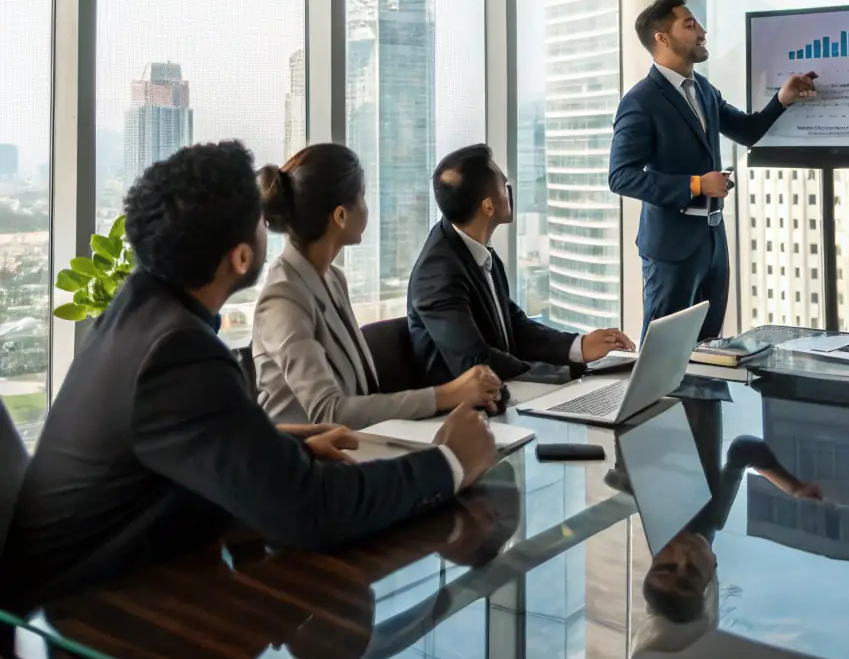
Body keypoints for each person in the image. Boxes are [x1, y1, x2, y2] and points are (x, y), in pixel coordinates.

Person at [0, 141, 497, 619]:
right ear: (240, 258)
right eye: (260, 223)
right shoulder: (177, 351)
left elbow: (178, 447)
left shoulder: (138, 316)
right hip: (74, 637)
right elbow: (312, 510)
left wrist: (281, 444)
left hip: (105, 601)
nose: (271, 227)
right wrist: (449, 462)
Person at [609, 0, 817, 341]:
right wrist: (696, 185)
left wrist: (782, 99)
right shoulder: (640, 101)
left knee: (709, 351)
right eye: (690, 25)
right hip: (671, 250)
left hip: (713, 244)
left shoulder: (703, 89)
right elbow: (620, 176)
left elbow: (746, 130)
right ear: (662, 38)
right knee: (665, 350)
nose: (702, 32)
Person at [253, 143, 503, 428]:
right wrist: (448, 394)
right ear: (340, 216)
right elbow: (328, 412)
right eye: (362, 196)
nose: (367, 208)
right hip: (303, 454)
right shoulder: (283, 296)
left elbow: (361, 396)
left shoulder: (333, 279)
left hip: (357, 443)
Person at [408, 144, 634, 385]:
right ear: (488, 206)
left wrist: (579, 346)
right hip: (472, 403)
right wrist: (566, 374)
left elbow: (515, 326)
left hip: (506, 389)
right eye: (503, 184)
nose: (509, 189)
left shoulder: (474, 246)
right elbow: (475, 362)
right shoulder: (437, 273)